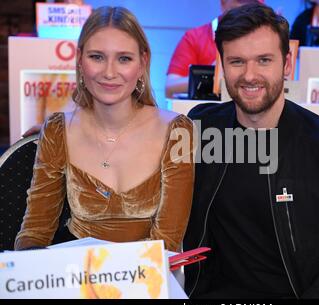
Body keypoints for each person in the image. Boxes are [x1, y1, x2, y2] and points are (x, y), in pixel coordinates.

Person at [183, 3, 319, 298]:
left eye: (264, 60)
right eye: (237, 61)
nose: (250, 75)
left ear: (287, 64)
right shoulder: (201, 130)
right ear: (221, 66)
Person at [15, 6, 194, 252]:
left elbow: (168, 243)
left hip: (151, 281)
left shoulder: (176, 132)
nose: (109, 72)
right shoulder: (58, 130)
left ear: (142, 63)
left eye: (124, 59)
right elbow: (36, 230)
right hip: (76, 277)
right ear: (80, 59)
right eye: (97, 57)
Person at [165, 0, 263, 98]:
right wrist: (212, 75)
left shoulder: (268, 38)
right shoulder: (196, 37)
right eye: (241, 2)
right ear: (223, 3)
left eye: (253, 3)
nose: (247, 10)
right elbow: (170, 88)